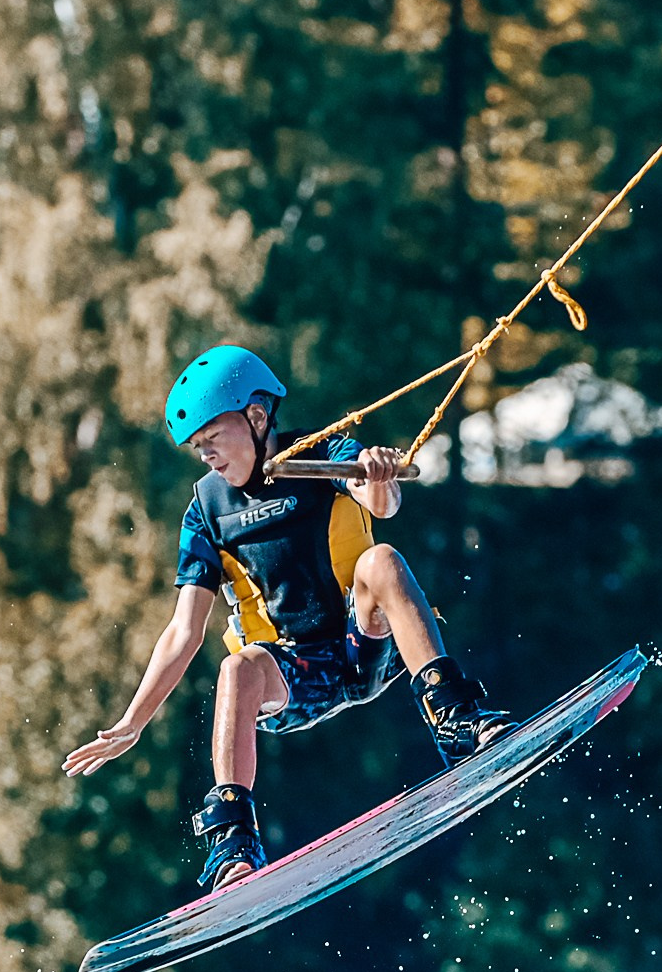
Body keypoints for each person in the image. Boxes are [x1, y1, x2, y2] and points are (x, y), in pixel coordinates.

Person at [63, 345, 515, 891]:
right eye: (196, 447)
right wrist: (133, 722)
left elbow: (383, 505)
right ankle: (233, 846)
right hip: (294, 674)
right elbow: (184, 631)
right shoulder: (205, 512)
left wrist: (375, 474)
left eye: (213, 438)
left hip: (363, 645)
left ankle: (456, 719)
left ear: (257, 417)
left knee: (382, 560)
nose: (205, 455)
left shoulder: (324, 453)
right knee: (236, 669)